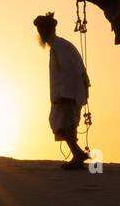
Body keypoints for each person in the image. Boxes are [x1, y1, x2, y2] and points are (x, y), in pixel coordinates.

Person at [34, 12, 90, 169]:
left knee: (62, 125)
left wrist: (64, 95)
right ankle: (77, 154)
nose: (40, 34)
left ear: (47, 31)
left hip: (67, 94)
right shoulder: (59, 46)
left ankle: (77, 155)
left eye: (41, 30)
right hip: (68, 93)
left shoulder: (60, 47)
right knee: (65, 124)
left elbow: (69, 71)